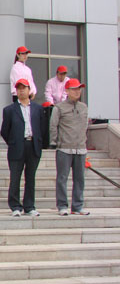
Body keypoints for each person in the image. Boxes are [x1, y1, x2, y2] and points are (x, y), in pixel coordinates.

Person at [0, 79, 47, 217]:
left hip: (33, 145)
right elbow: (4, 131)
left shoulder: (38, 109)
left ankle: (29, 206)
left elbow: (43, 128)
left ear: (29, 89)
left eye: (24, 88)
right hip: (17, 147)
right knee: (15, 177)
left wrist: (39, 142)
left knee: (30, 177)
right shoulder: (9, 110)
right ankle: (15, 206)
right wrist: (13, 142)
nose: (21, 91)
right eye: (19, 88)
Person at [50, 78, 90, 216]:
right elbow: (53, 126)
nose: (77, 91)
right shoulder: (59, 108)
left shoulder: (83, 107)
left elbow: (85, 126)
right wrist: (54, 142)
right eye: (74, 89)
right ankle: (62, 206)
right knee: (62, 178)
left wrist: (84, 142)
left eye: (79, 88)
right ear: (67, 91)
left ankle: (77, 206)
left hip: (80, 148)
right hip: (64, 148)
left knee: (80, 179)